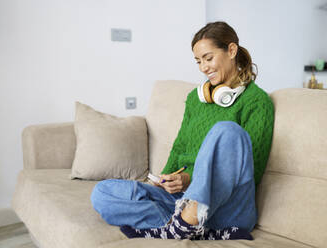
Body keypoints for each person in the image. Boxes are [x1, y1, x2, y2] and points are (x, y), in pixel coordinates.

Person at [91, 21, 274, 240]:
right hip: (182, 200)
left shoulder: (257, 101)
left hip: (228, 207)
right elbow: (179, 148)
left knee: (227, 131)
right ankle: (182, 225)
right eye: (198, 61)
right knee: (103, 193)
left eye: (208, 58)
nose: (203, 68)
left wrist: (191, 180)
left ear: (231, 50)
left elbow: (252, 170)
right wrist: (161, 182)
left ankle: (183, 224)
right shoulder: (195, 100)